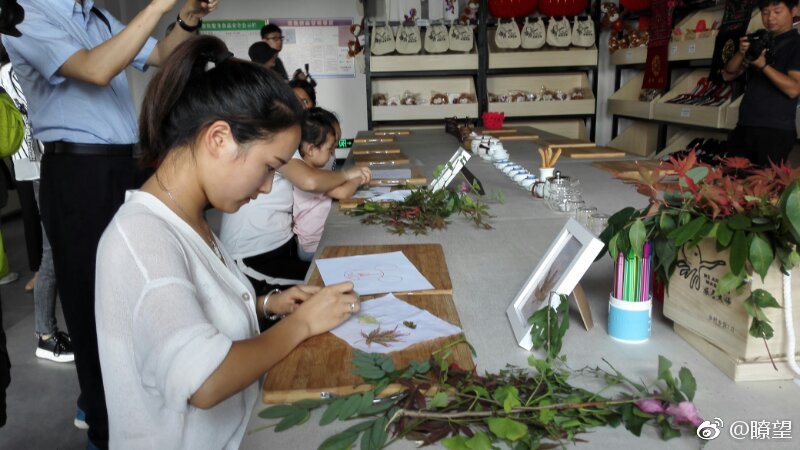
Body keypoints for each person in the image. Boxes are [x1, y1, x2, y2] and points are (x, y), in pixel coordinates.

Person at [95, 35, 359, 448]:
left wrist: (269, 304)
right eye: (269, 166)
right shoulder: (140, 238)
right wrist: (303, 324)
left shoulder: (189, 219)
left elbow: (190, 313)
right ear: (219, 139)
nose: (268, 186)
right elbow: (205, 380)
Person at [1, 0, 220, 447]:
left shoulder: (96, 16)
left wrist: (187, 17)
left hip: (125, 165)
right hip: (78, 172)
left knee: (139, 288)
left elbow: (160, 54)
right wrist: (157, 5)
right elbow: (96, 69)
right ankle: (104, 426)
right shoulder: (27, 14)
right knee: (92, 305)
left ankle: (133, 406)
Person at [0, 48, 73, 363]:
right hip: (42, 163)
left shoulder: (10, 72)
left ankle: (49, 330)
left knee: (55, 247)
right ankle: (45, 334)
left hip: (36, 163)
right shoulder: (15, 71)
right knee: (52, 250)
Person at [723, 0, 800, 166]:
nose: (770, 17)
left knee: (764, 182)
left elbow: (794, 89)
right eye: (765, 12)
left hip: (775, 131)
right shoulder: (761, 41)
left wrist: (763, 65)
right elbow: (728, 74)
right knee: (731, 178)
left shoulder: (796, 45)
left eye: (777, 11)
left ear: (794, 10)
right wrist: (741, 52)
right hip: (745, 125)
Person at [293, 108, 361, 261]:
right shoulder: (314, 176)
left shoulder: (311, 169)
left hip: (314, 241)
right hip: (313, 246)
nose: (332, 154)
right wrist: (357, 178)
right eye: (330, 149)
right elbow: (343, 193)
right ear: (311, 149)